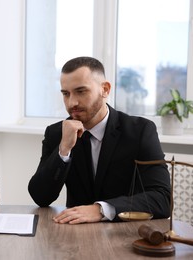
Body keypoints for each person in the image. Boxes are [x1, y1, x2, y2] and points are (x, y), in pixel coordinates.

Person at [28, 56, 170, 224]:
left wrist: (101, 209)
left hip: (125, 233)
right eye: (66, 94)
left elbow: (162, 199)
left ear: (105, 89)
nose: (72, 102)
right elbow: (40, 197)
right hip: (74, 236)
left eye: (81, 91)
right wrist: (63, 150)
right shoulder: (56, 133)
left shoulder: (140, 131)